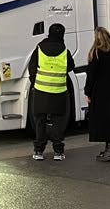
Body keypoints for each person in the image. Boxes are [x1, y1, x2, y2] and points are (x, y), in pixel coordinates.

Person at [27, 23, 75, 162]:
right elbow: (71, 66)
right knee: (57, 122)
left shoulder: (40, 48)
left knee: (40, 121)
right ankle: (58, 152)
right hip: (59, 91)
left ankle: (39, 151)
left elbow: (32, 67)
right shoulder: (64, 50)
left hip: (41, 91)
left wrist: (35, 81)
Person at [84, 27, 110, 162]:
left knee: (103, 120)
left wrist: (87, 92)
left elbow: (91, 75)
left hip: (100, 91)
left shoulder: (95, 53)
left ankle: (109, 152)